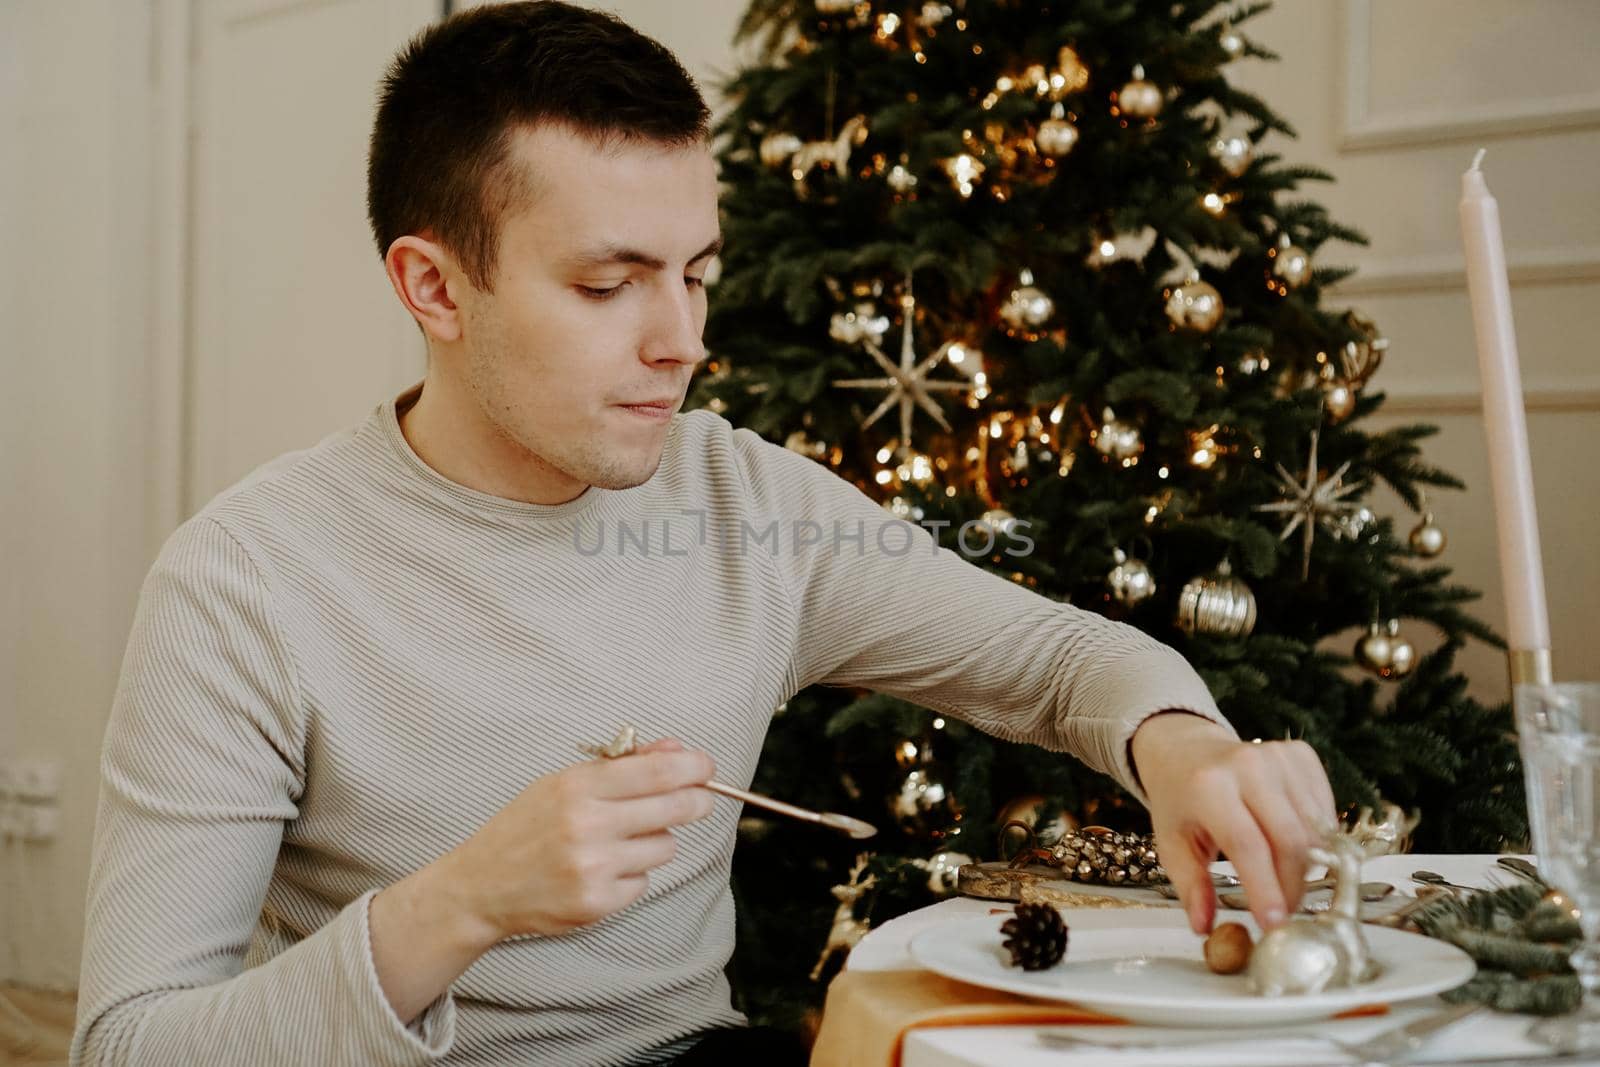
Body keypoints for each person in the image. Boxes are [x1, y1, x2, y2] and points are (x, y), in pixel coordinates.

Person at [71, 3, 1337, 1065]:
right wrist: (461, 902)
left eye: (698, 272)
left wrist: (1182, 749)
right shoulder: (244, 580)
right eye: (608, 283)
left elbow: (1062, 667)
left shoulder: (745, 503)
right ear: (433, 284)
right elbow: (127, 1043)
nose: (680, 338)